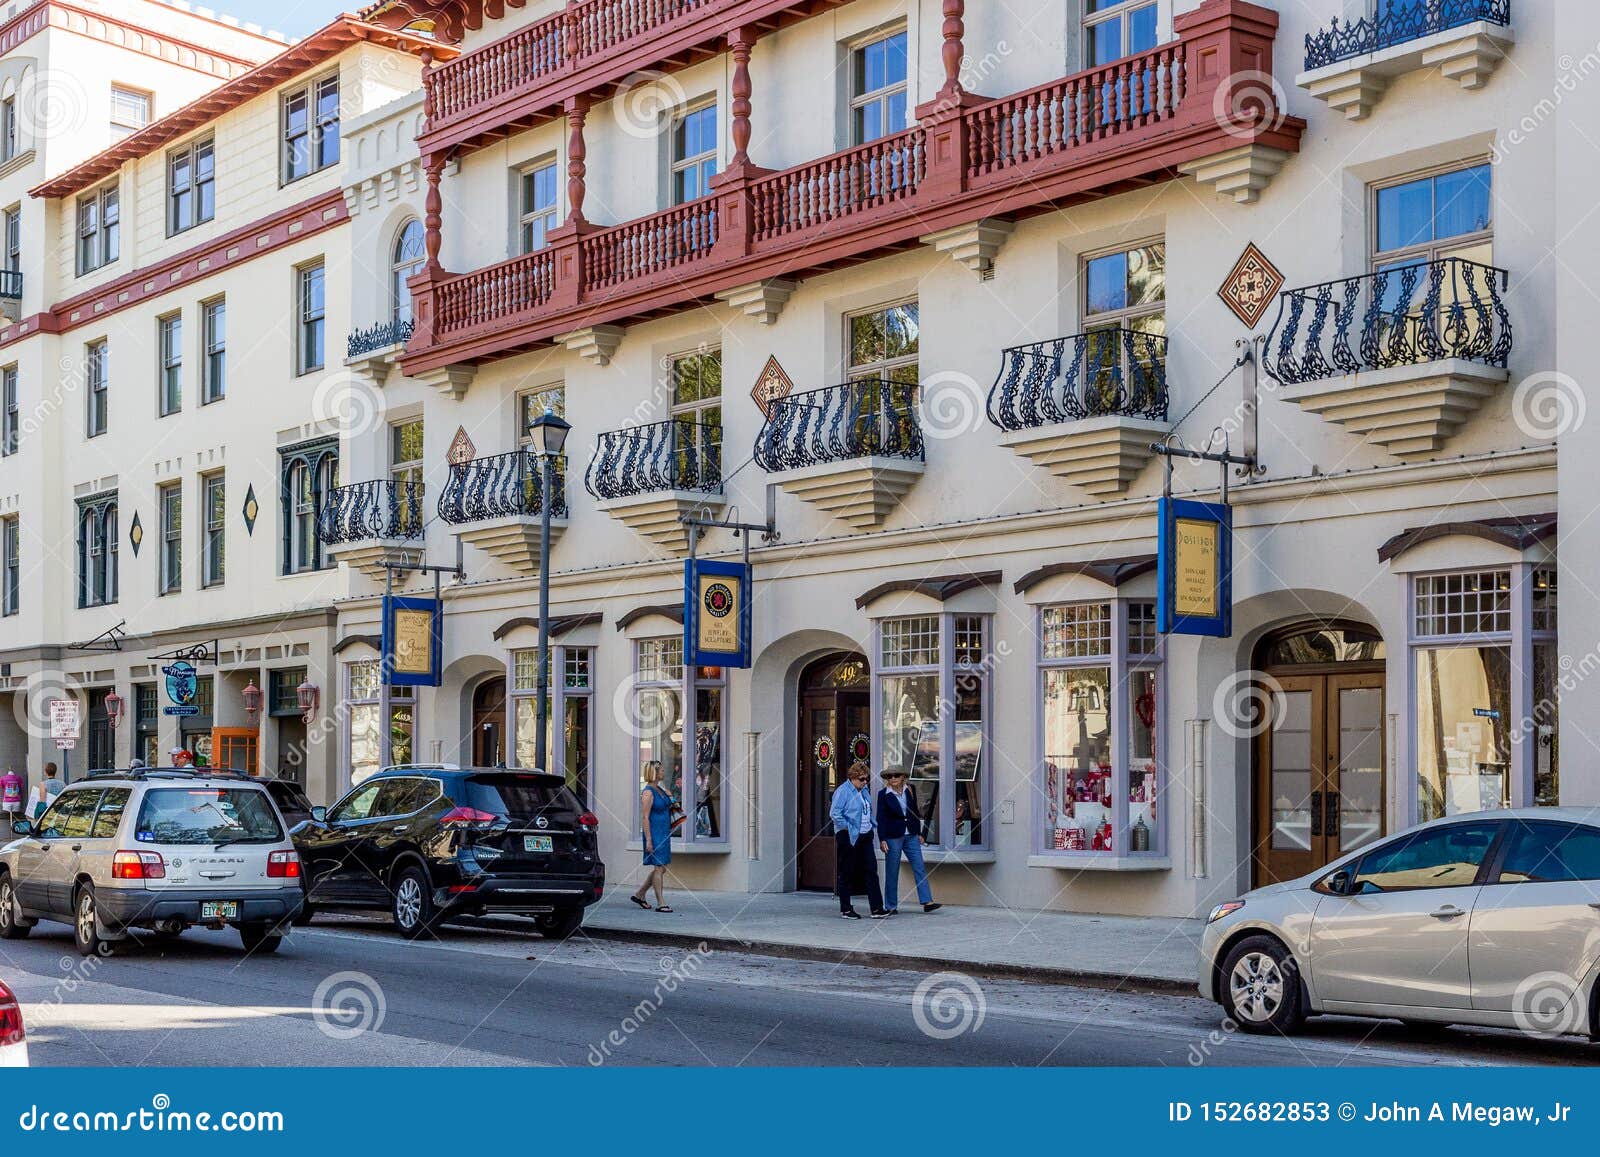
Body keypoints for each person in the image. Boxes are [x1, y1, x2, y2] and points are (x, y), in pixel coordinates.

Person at [877, 770, 942, 914]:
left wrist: (919, 833)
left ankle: (927, 901)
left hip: (911, 835)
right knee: (892, 871)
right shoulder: (883, 794)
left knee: (919, 867)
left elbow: (914, 813)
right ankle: (891, 906)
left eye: (896, 776)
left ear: (903, 777)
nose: (892, 778)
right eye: (889, 776)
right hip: (893, 836)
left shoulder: (910, 789)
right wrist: (882, 839)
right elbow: (880, 818)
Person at [829, 760, 886, 920]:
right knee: (847, 871)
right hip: (848, 835)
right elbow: (835, 814)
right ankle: (846, 909)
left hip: (866, 834)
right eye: (861, 779)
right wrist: (848, 827)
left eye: (866, 778)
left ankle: (876, 908)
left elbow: (867, 810)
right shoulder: (843, 791)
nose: (865, 782)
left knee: (871, 870)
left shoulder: (864, 791)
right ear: (853, 777)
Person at [630, 761, 674, 913]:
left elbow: (673, 808)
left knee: (662, 868)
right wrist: (648, 839)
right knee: (658, 867)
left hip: (664, 832)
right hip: (654, 834)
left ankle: (640, 894)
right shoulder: (648, 792)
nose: (663, 772)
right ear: (654, 772)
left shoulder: (660, 789)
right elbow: (645, 817)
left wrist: (671, 796)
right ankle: (661, 903)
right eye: (661, 770)